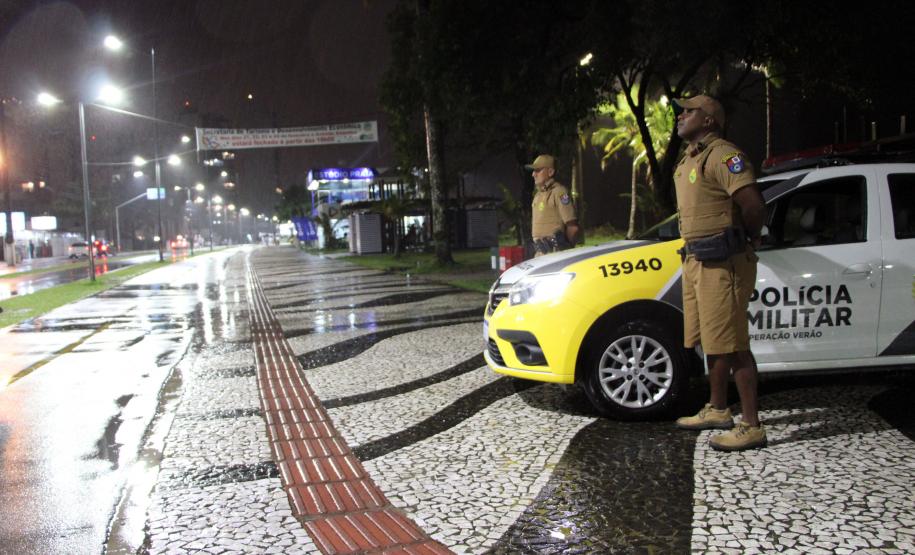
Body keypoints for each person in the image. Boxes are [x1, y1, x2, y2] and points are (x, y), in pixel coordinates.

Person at [671, 95, 768, 452]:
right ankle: (717, 408)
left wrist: (750, 237)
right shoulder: (691, 158)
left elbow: (753, 204)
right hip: (697, 260)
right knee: (712, 339)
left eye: (689, 110)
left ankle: (752, 425)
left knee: (734, 342)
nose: (681, 116)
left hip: (723, 262)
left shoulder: (725, 155)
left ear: (709, 120)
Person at [526, 154, 579, 256]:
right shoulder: (538, 195)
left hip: (556, 254)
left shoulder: (559, 192)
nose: (533, 174)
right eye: (533, 171)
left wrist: (566, 250)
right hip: (540, 254)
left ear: (550, 172)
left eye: (538, 170)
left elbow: (572, 227)